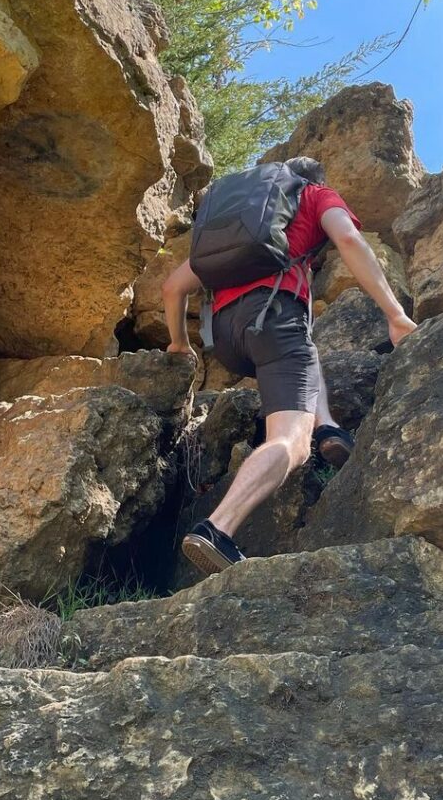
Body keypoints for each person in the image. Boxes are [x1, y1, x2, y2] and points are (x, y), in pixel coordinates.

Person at [162, 156, 417, 575]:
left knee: (306, 352)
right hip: (275, 320)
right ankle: (216, 529)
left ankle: (328, 425)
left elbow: (172, 288)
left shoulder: (246, 220)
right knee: (290, 442)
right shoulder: (315, 196)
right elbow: (350, 241)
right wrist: (394, 315)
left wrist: (178, 343)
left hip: (226, 339)